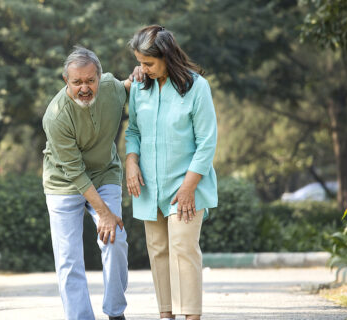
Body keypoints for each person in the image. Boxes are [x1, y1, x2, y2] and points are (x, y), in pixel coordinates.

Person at [125, 25, 218, 320]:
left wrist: (189, 186)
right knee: (158, 251)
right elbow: (134, 131)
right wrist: (130, 161)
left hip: (186, 185)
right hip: (149, 187)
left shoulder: (197, 87)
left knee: (183, 249)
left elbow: (207, 141)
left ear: (166, 55)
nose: (142, 69)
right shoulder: (140, 87)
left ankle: (191, 316)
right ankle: (166, 315)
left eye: (148, 63)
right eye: (140, 62)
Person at [42, 46, 131, 320]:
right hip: (64, 183)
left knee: (115, 240)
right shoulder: (56, 116)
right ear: (65, 81)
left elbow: (129, 85)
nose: (84, 88)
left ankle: (116, 312)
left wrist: (138, 75)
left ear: (100, 77)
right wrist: (103, 212)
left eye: (90, 80)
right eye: (77, 82)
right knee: (69, 259)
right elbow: (76, 173)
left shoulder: (112, 89)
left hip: (105, 173)